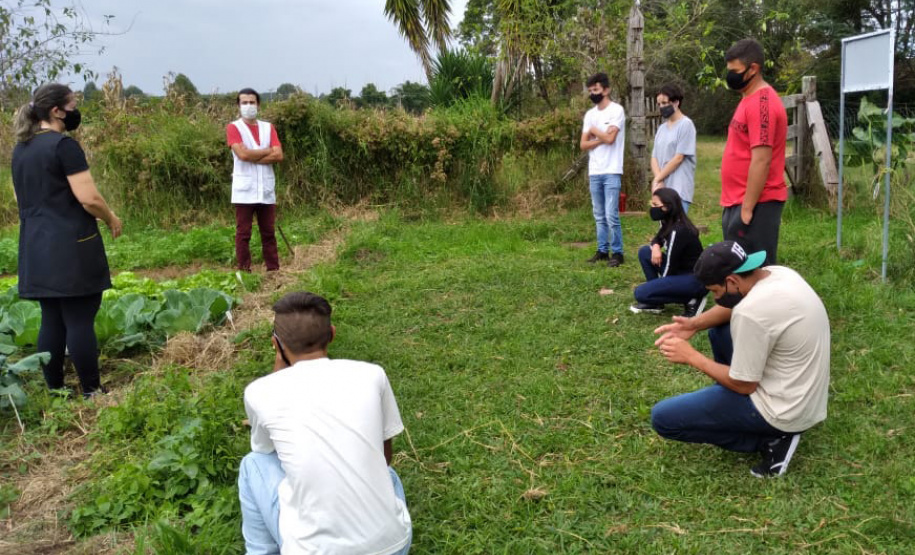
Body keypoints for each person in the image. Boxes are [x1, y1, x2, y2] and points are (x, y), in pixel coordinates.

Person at [238, 292, 412, 555]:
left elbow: (267, 451)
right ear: (331, 333)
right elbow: (384, 457)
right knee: (388, 475)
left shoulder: (259, 392)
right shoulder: (372, 374)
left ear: (276, 343)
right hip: (393, 547)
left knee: (253, 464)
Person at [651, 241, 830, 477]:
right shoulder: (777, 274)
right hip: (804, 394)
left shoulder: (751, 313)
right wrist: (695, 323)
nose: (715, 299)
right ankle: (742, 414)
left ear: (732, 281)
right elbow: (735, 307)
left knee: (663, 418)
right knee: (719, 330)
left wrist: (692, 357)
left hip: (784, 410)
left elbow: (744, 385)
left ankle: (772, 439)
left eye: (715, 291)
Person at [10, 84, 122, 399]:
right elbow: (88, 198)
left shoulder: (22, 148)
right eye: (72, 104)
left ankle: (56, 389)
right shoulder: (63, 146)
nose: (76, 110)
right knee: (80, 317)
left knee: (52, 317)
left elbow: (22, 197)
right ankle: (92, 391)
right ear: (57, 111)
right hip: (71, 244)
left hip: (35, 244)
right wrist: (111, 218)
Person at [720, 38, 788, 266]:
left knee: (758, 269)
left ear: (754, 69)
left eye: (735, 71)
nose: (731, 76)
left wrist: (747, 210)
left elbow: (762, 160)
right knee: (738, 267)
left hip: (757, 202)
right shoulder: (747, 98)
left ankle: (766, 303)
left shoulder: (763, 104)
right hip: (737, 199)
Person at [227, 88, 284, 272]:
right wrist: (268, 150)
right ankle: (245, 271)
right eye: (244, 102)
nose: (249, 106)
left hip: (265, 189)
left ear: (258, 104)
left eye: (252, 102)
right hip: (244, 191)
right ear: (238, 106)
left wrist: (253, 156)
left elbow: (279, 155)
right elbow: (242, 154)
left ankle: (273, 270)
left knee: (268, 232)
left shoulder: (268, 127)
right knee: (243, 233)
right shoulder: (234, 127)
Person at [630, 188, 707, 317]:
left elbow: (669, 268)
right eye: (651, 204)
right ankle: (656, 304)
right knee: (645, 252)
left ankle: (692, 299)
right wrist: (655, 247)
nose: (652, 208)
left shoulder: (679, 230)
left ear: (667, 207)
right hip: (680, 271)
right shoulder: (667, 220)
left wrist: (658, 289)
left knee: (641, 293)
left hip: (694, 279)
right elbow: (658, 238)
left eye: (655, 205)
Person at [580, 72, 626, 268]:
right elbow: (583, 144)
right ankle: (602, 250)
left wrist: (594, 132)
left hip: (612, 169)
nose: (593, 94)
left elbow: (611, 139)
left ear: (606, 90)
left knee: (611, 214)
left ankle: (617, 252)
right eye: (590, 91)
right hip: (595, 170)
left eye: (596, 90)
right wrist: (601, 137)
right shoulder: (589, 115)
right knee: (598, 213)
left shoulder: (617, 111)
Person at [650, 84, 697, 214]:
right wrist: (658, 181)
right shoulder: (661, 129)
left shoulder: (686, 125)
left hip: (679, 189)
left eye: (665, 103)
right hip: (662, 188)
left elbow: (678, 158)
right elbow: (654, 157)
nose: (661, 107)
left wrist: (657, 179)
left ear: (676, 102)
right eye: (659, 104)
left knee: (677, 230)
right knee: (664, 230)